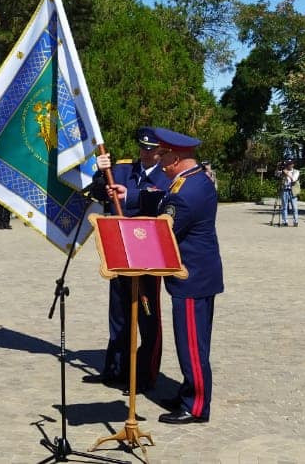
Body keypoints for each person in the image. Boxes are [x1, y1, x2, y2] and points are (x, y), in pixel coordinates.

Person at [108, 127, 222, 425]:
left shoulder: (188, 191)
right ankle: (188, 393)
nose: (162, 162)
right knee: (190, 342)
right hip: (196, 276)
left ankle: (196, 405)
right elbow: (160, 200)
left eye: (165, 156)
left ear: (176, 157)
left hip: (192, 278)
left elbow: (164, 226)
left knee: (192, 345)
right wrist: (130, 195)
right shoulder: (191, 180)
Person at [85, 128, 169, 393]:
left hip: (148, 257)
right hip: (120, 252)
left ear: (161, 151)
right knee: (119, 314)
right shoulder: (122, 170)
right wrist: (99, 171)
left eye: (151, 149)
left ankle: (145, 375)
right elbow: (97, 193)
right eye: (142, 148)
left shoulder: (167, 178)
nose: (145, 153)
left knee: (147, 314)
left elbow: (161, 202)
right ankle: (115, 369)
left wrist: (129, 197)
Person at [279, 160, 300, 227]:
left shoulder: (296, 171)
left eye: (290, 164)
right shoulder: (283, 171)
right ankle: (285, 221)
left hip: (292, 190)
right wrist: (278, 169)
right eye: (288, 164)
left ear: (293, 165)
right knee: (284, 207)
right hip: (284, 189)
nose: (289, 165)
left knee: (294, 207)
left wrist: (287, 174)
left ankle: (295, 221)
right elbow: (276, 174)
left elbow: (294, 179)